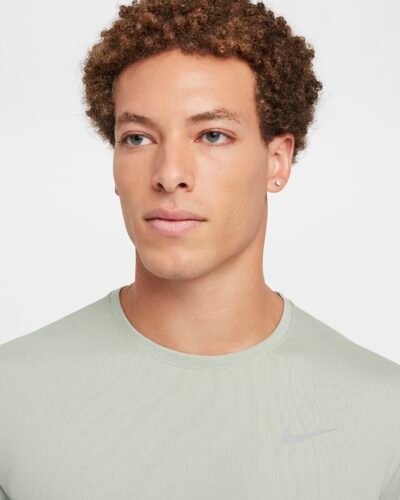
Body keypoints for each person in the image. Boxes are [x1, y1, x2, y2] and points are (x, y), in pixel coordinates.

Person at [1, 0, 399, 498]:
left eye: (212, 135)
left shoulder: (386, 415)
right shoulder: (10, 396)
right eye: (138, 138)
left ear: (277, 161)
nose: (170, 175)